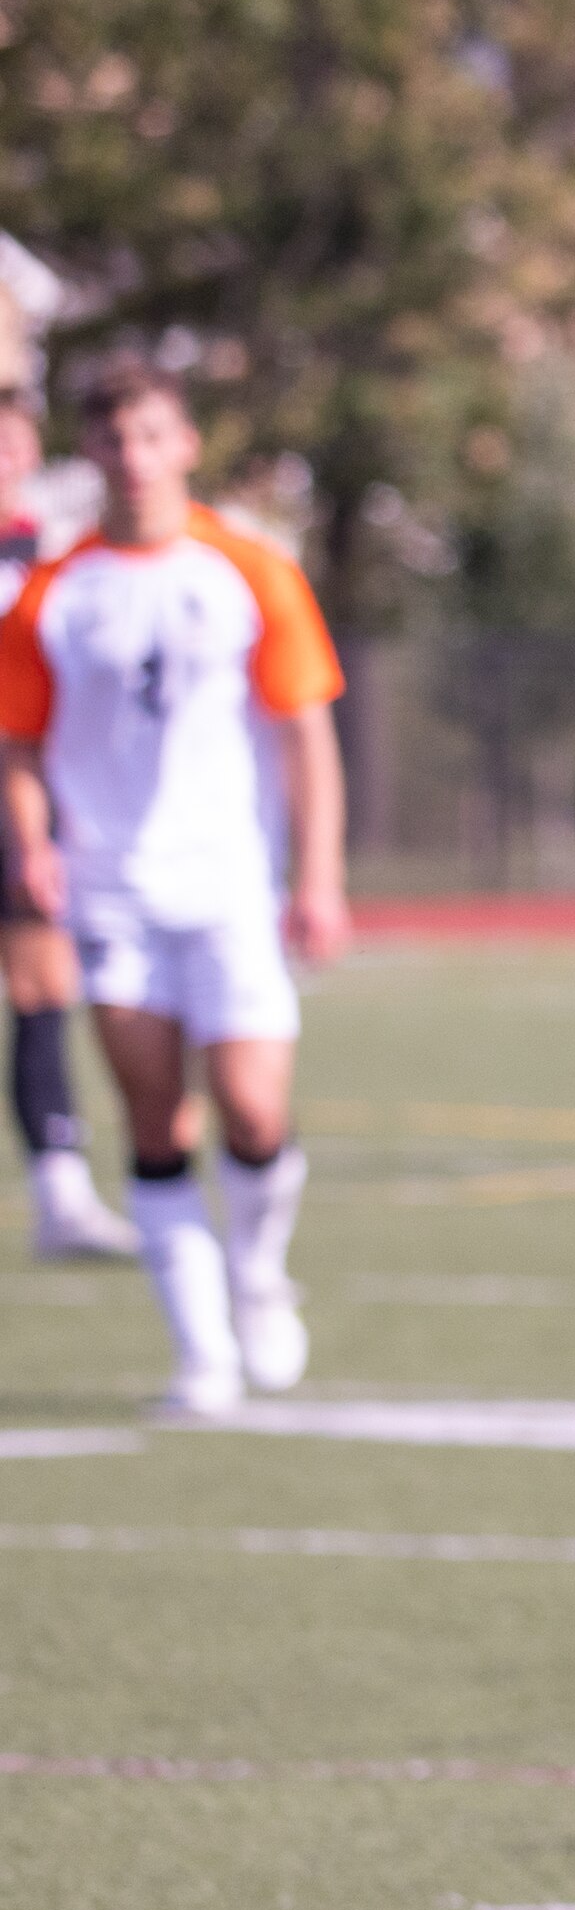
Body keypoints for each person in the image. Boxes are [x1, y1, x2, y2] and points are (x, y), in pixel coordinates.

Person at [0, 366, 347, 1416]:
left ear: (185, 443)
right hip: (112, 895)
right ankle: (201, 1354)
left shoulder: (250, 568)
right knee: (156, 1120)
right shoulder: (56, 589)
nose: (133, 457)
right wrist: (31, 844)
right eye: (113, 440)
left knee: (251, 1108)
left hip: (231, 884)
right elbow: (17, 739)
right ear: (90, 453)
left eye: (152, 436)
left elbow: (305, 733)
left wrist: (319, 874)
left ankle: (255, 1278)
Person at [0, 390, 136, 1262]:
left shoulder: (52, 560)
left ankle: (62, 1195)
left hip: (19, 803)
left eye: (17, 449)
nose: (8, 461)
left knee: (43, 991)